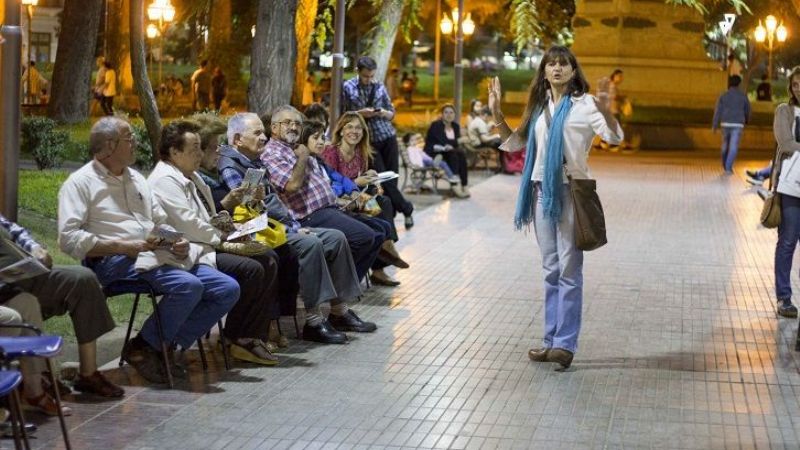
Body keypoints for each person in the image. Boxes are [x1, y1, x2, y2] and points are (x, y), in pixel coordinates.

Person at [58, 116, 240, 383]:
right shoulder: (81, 183)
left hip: (154, 253)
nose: (136, 144)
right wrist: (123, 246)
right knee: (189, 286)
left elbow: (159, 222)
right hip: (112, 260)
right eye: (129, 139)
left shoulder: (136, 179)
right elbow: (68, 239)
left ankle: (161, 346)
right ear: (109, 145)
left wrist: (174, 240)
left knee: (226, 289)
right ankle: (146, 348)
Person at [488, 45, 623, 371]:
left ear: (574, 72)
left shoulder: (585, 104)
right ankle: (549, 340)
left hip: (569, 191)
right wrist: (496, 113)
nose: (558, 69)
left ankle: (565, 344)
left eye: (564, 64)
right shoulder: (538, 107)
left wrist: (606, 109)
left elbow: (615, 137)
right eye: (552, 64)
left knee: (569, 269)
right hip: (539, 193)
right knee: (550, 268)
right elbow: (516, 143)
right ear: (544, 71)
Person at [218, 112, 377, 343]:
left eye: (297, 124)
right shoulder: (239, 164)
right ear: (237, 140)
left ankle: (339, 310)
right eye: (258, 133)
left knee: (337, 238)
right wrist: (292, 228)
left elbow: (267, 205)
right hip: (264, 230)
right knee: (315, 243)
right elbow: (254, 211)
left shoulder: (254, 161)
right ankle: (313, 321)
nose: (263, 137)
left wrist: (290, 225)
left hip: (285, 223)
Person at [148, 119, 282, 365]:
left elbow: (206, 218)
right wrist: (225, 237)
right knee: (251, 268)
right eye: (195, 150)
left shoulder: (192, 176)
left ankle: (247, 336)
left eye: (202, 148)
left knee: (269, 258)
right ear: (174, 152)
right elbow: (190, 225)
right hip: (187, 250)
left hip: (203, 243)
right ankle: (171, 342)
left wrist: (230, 222)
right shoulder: (165, 181)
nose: (201, 155)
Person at [193, 113, 299, 350]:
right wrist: (231, 216)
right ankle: (242, 333)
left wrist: (238, 213)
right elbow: (202, 221)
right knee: (263, 261)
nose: (217, 151)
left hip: (227, 235)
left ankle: (254, 331)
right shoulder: (217, 170)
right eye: (212, 147)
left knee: (278, 254)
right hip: (203, 246)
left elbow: (223, 213)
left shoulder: (204, 176)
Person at [1, 214, 125, 399]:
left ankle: (88, 373)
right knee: (25, 302)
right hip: (6, 290)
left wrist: (36, 250)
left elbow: (13, 231)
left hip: (17, 275)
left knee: (82, 279)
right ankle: (39, 377)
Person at [262, 105, 385, 283]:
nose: (294, 127)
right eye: (287, 123)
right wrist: (303, 157)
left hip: (330, 208)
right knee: (364, 237)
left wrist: (349, 195)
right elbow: (292, 185)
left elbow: (335, 180)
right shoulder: (273, 153)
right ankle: (337, 291)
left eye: (297, 123)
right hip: (309, 216)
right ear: (274, 128)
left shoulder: (294, 148)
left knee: (377, 230)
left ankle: (340, 291)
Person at [320, 112, 411, 286]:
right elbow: (330, 184)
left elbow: (361, 185)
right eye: (350, 127)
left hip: (356, 200)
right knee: (381, 207)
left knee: (383, 202)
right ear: (340, 131)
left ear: (364, 132)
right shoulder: (331, 152)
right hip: (339, 202)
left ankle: (383, 253)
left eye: (359, 128)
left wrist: (371, 180)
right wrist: (356, 182)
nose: (354, 131)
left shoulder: (361, 153)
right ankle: (385, 254)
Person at [342, 56, 415, 229]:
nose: (369, 80)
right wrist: (362, 113)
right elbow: (345, 114)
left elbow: (392, 113)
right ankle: (407, 209)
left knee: (392, 179)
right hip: (369, 141)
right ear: (358, 72)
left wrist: (382, 112)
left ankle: (392, 215)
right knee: (382, 178)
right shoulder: (348, 87)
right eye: (366, 76)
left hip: (387, 136)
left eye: (371, 76)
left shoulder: (379, 86)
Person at [770, 66, 800, 319]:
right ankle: (784, 298)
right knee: (788, 240)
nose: (798, 88)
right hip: (791, 186)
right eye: (795, 85)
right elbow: (786, 142)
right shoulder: (784, 111)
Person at [424, 104, 470, 197]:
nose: (449, 115)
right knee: (454, 155)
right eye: (446, 112)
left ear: (454, 114)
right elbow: (443, 142)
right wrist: (457, 141)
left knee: (460, 154)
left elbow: (453, 145)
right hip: (435, 152)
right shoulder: (436, 125)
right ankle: (455, 185)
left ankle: (464, 185)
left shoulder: (455, 126)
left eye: (451, 112)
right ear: (442, 114)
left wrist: (457, 142)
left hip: (449, 152)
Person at [402, 132, 466, 197]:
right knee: (442, 163)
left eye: (415, 140)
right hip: (419, 164)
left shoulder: (416, 148)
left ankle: (435, 164)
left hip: (424, 162)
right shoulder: (410, 149)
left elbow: (424, 156)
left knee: (438, 162)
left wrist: (430, 159)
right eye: (412, 140)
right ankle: (451, 176)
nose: (414, 141)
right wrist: (416, 164)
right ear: (407, 143)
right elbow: (413, 158)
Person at [712, 75, 751, 174]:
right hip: (738, 124)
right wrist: (747, 120)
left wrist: (715, 125)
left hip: (725, 123)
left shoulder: (723, 95)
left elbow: (718, 110)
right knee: (733, 146)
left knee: (725, 144)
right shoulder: (743, 96)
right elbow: (748, 110)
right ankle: (728, 167)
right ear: (739, 84)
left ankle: (725, 163)